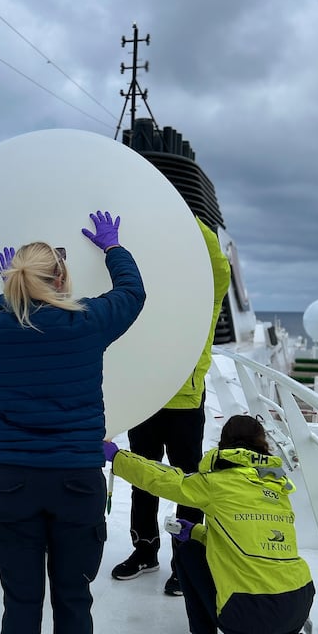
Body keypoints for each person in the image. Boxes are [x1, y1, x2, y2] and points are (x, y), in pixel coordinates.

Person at [0, 210, 146, 634]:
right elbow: (133, 294)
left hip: (13, 484)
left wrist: (5, 294)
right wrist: (114, 248)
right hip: (75, 482)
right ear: (62, 279)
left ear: (12, 279)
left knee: (20, 603)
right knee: (73, 601)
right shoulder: (87, 321)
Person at [104, 414, 315, 634]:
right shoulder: (279, 490)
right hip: (297, 609)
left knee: (188, 552)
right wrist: (196, 531)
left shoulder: (218, 483)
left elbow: (163, 479)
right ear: (263, 446)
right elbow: (246, 538)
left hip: (245, 619)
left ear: (223, 444)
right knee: (266, 562)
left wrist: (117, 457)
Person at [111, 217, 231, 595]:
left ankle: (185, 561)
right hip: (145, 401)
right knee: (142, 479)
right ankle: (144, 550)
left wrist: (182, 214)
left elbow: (218, 267)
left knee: (189, 486)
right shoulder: (145, 305)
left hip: (185, 404)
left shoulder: (206, 301)